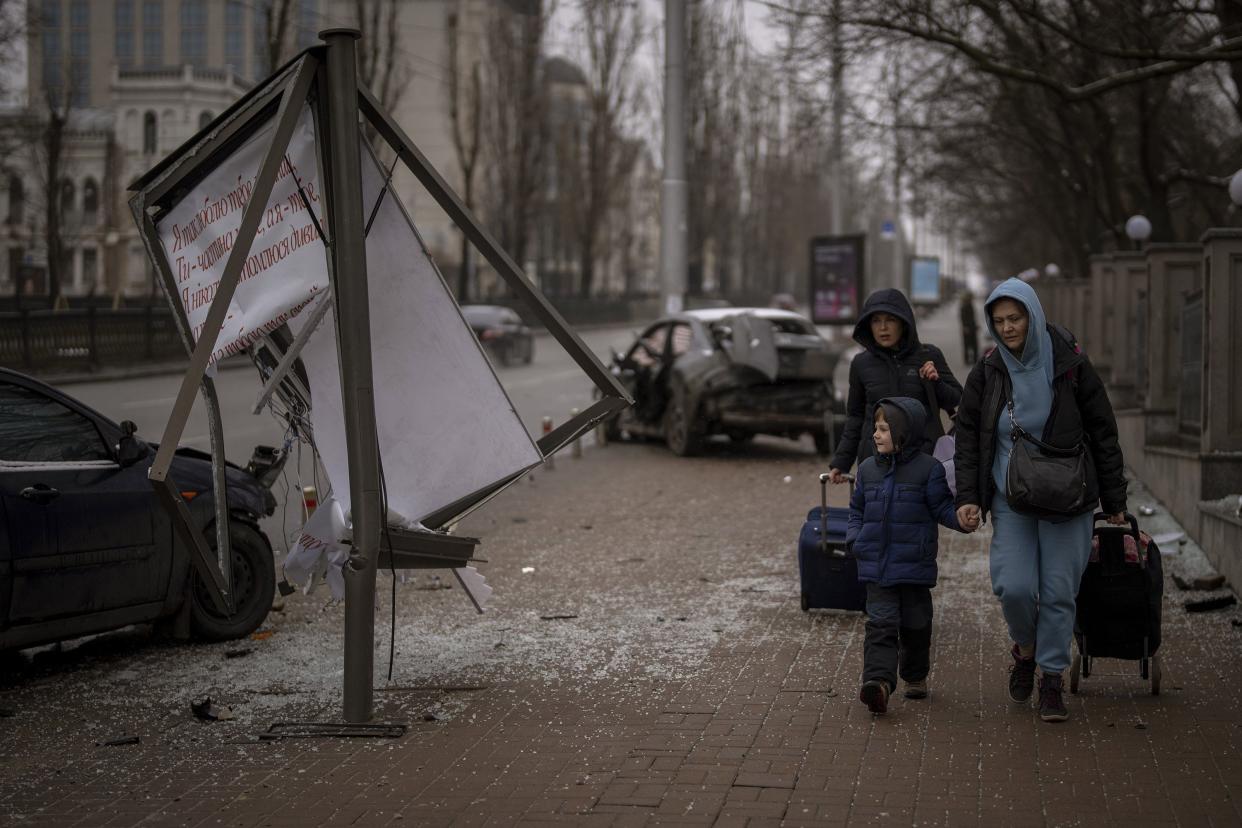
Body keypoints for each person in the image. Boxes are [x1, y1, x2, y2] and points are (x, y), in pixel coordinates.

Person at [953, 278, 1127, 724]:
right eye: (999, 321)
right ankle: (1025, 650)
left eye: (1015, 318)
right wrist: (969, 497)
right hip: (1012, 496)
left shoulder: (1070, 364)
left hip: (1070, 497)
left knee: (1057, 592)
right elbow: (969, 436)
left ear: (1033, 314)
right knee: (1013, 586)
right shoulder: (989, 370)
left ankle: (1051, 677)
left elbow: (1103, 431)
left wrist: (1114, 498)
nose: (1008, 328)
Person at [846, 397, 967, 714]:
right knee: (880, 627)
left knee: (916, 625)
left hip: (914, 566)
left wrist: (961, 520)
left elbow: (941, 507)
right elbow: (856, 509)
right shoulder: (868, 469)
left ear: (904, 432)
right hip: (876, 566)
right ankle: (878, 683)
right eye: (875, 428)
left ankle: (915, 676)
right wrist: (855, 538)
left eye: (884, 429)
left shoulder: (929, 470)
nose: (876, 434)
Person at [827, 289, 962, 484]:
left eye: (890, 319)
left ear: (903, 322)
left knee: (919, 514)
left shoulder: (928, 355)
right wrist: (841, 462)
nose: (883, 327)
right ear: (868, 325)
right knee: (876, 514)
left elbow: (957, 400)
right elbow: (855, 417)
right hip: (875, 462)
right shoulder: (860, 363)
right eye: (876, 321)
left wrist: (936, 381)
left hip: (923, 460)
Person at [959, 291, 979, 364]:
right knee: (968, 345)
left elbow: (972, 317)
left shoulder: (970, 305)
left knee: (973, 344)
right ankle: (968, 360)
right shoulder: (964, 306)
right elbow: (963, 318)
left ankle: (974, 359)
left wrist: (976, 325)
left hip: (972, 327)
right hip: (968, 328)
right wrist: (965, 327)